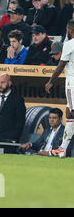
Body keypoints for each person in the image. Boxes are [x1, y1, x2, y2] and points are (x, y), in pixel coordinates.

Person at [46, 19, 74, 158]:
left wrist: (50, 81)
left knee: (71, 112)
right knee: (69, 113)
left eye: (68, 30)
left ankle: (63, 147)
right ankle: (63, 147)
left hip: (72, 83)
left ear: (70, 30)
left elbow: (60, 65)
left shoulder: (69, 44)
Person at [0, 74, 26, 145]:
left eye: (3, 82)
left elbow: (20, 121)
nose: (0, 85)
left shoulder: (17, 99)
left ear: (9, 83)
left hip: (9, 140)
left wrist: (13, 137)